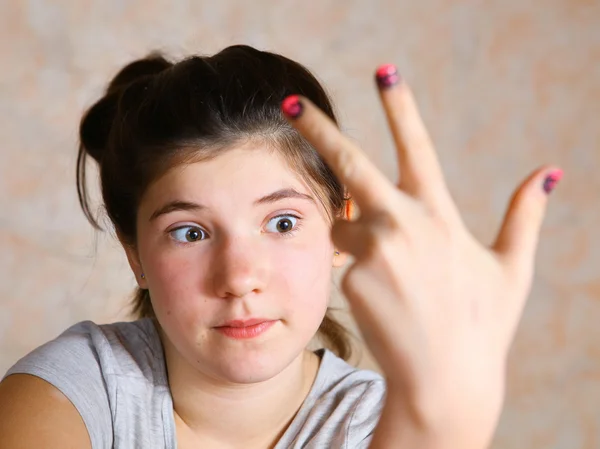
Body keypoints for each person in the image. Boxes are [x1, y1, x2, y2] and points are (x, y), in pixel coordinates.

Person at [0, 45, 562, 449]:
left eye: (283, 222)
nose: (240, 277)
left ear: (342, 228)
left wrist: (446, 407)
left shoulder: (379, 423)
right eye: (189, 233)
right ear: (134, 254)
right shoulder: (72, 391)